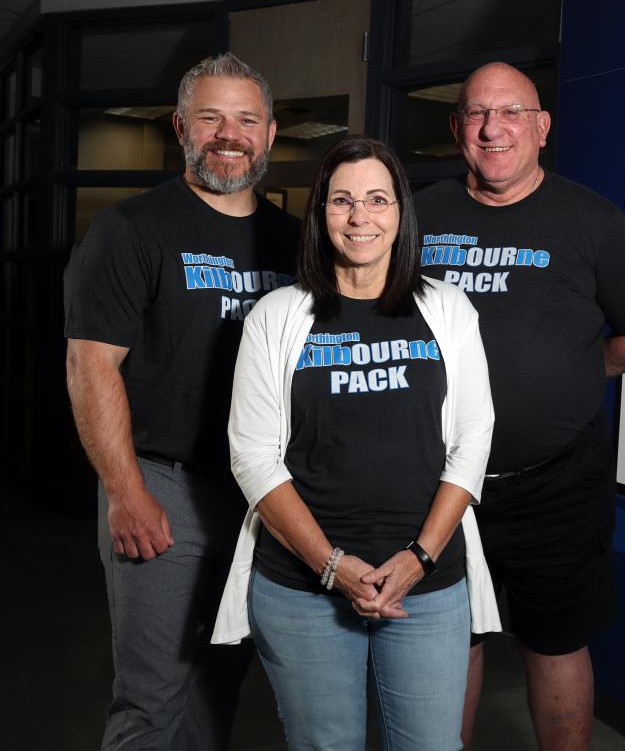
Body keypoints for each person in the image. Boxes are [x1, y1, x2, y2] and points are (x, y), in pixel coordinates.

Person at [210, 135, 500, 749]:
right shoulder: (275, 316)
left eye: (377, 199)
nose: (360, 217)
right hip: (302, 589)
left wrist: (419, 558)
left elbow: (473, 440)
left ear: (400, 212)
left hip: (427, 584)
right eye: (341, 201)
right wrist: (333, 567)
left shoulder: (447, 308)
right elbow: (253, 456)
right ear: (320, 214)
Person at [417, 62, 625, 750]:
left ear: (541, 128)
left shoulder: (591, 220)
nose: (492, 127)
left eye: (509, 112)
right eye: (475, 113)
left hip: (555, 486)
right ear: (457, 128)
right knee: (447, 642)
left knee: (556, 645)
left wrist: (572, 374)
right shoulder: (419, 215)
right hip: (435, 486)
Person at [64, 53, 300, 749]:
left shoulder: (295, 240)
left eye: (246, 119)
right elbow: (89, 367)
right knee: (152, 697)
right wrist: (125, 491)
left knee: (221, 682)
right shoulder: (130, 230)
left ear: (270, 131)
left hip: (262, 497)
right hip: (164, 490)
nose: (230, 134)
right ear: (180, 128)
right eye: (211, 117)